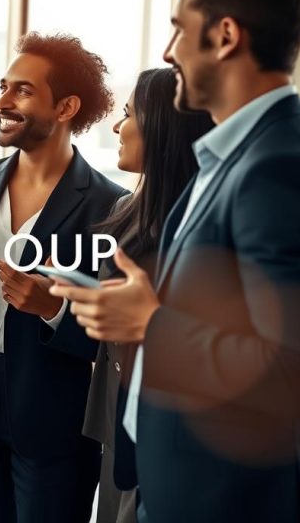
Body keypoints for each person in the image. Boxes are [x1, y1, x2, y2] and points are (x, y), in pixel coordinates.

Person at [51, 0, 300, 521]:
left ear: (224, 36)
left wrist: (150, 325)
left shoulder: (281, 168)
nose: (168, 51)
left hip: (234, 502)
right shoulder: (231, 157)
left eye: (178, 29)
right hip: (185, 487)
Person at [0, 32, 126, 522]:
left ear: (66, 107)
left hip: (55, 414)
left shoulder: (109, 205)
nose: (3, 101)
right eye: (3, 87)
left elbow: (115, 335)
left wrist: (53, 309)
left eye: (23, 90)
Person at [81, 68, 213, 523]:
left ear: (161, 126)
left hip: (167, 426)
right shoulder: (127, 206)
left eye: (128, 114)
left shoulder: (200, 224)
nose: (117, 127)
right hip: (116, 416)